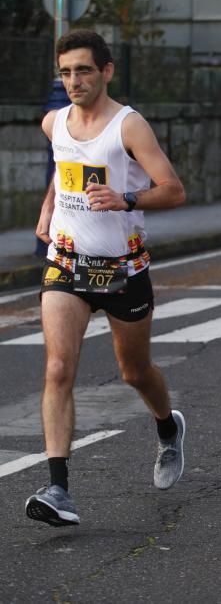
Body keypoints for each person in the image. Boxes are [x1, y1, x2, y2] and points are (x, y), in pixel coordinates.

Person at [26, 29, 187, 526]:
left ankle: (167, 427)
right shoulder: (54, 123)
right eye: (67, 71)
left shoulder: (128, 127)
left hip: (122, 269)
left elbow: (174, 190)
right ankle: (58, 488)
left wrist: (127, 199)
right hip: (68, 262)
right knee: (58, 369)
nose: (74, 80)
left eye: (84, 70)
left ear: (107, 71)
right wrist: (49, 208)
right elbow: (63, 166)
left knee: (134, 371)